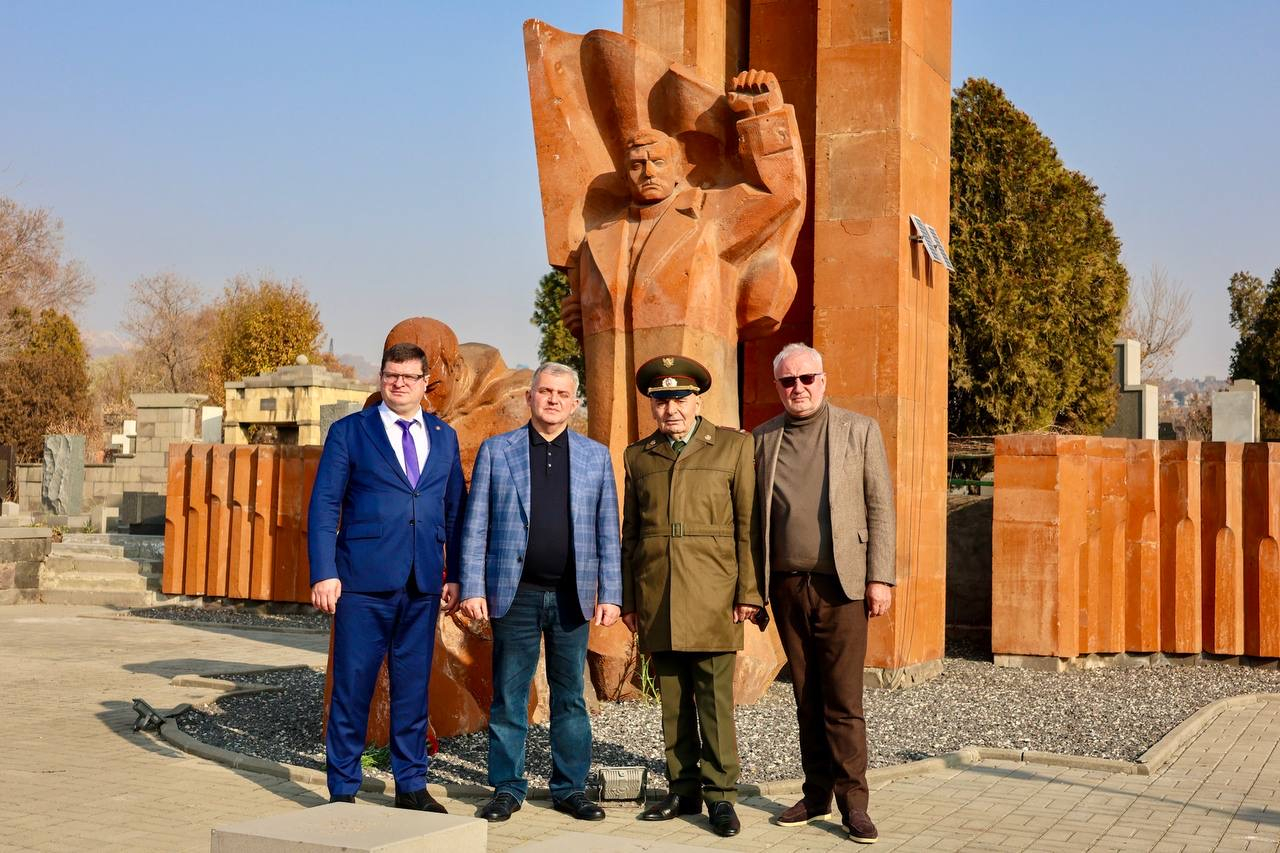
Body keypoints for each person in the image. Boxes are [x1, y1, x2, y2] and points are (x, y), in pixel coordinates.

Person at [560, 69, 806, 465]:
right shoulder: (598, 240)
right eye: (637, 165)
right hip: (614, 420)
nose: (648, 172)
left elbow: (780, 193)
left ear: (679, 169)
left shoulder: (709, 217)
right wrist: (581, 315)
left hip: (696, 408)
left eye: (658, 162)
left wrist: (761, 113)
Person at [458, 362, 622, 823]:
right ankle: (507, 788)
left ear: (574, 403)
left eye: (562, 394)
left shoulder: (595, 457)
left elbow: (607, 530)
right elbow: (476, 524)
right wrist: (473, 586)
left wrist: (611, 593)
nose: (552, 400)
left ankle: (570, 789)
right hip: (515, 594)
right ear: (530, 397)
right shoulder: (498, 451)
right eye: (545, 391)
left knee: (570, 697)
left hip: (572, 596)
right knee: (510, 696)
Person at [308, 341, 466, 809]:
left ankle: (411, 785)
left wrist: (455, 573)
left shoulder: (443, 437)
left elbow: (454, 511)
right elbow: (325, 506)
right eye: (391, 375)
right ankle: (343, 788)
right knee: (352, 687)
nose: (399, 383)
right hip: (361, 583)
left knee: (413, 689)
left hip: (423, 584)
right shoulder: (350, 432)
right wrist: (324, 572)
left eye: (409, 377)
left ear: (424, 383)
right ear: (381, 379)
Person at [752, 343, 895, 844]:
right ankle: (815, 795)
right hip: (787, 586)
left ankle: (854, 803)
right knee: (805, 696)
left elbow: (880, 507)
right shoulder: (762, 438)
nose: (799, 388)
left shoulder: (859, 430)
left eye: (807, 378)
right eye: (788, 381)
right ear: (778, 387)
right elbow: (752, 518)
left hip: (843, 586)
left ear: (823, 379)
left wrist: (880, 577)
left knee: (843, 699)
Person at [620, 354, 762, 838]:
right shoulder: (638, 456)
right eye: (661, 401)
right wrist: (630, 600)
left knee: (715, 703)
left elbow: (748, 524)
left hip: (714, 593)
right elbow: (631, 535)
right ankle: (682, 790)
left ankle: (721, 796)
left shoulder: (732, 447)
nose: (671, 409)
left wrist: (749, 592)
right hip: (658, 593)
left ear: (697, 400)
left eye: (680, 398)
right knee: (674, 702)